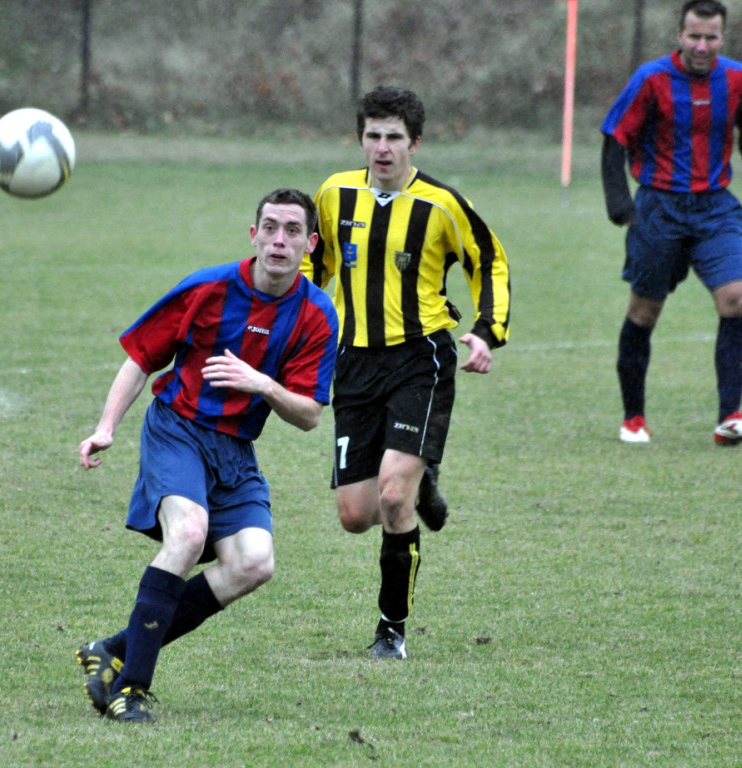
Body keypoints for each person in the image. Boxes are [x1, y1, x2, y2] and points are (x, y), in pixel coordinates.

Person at [75, 188, 338, 722]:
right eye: (269, 227)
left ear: (309, 244)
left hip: (236, 450)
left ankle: (114, 649)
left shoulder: (316, 314)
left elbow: (310, 414)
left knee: (253, 563)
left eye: (291, 230)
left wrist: (263, 384)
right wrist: (106, 428)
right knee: (190, 534)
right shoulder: (207, 288)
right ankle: (132, 689)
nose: (279, 240)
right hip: (178, 429)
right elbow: (140, 358)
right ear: (253, 235)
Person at [301, 86, 511, 659]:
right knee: (355, 516)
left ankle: (391, 630)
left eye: (395, 137)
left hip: (421, 358)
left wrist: (488, 330)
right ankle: (423, 480)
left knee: (393, 496)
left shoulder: (441, 205)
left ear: (415, 143)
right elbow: (311, 266)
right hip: (354, 363)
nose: (383, 147)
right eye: (373, 135)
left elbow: (487, 260)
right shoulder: (334, 194)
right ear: (360, 138)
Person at [601, 0, 742, 446]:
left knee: (736, 299)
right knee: (644, 311)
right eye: (694, 36)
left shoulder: (737, 78)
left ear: (722, 37)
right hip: (659, 208)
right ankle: (633, 418)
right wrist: (620, 202)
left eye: (711, 37)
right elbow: (614, 138)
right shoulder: (650, 79)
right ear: (679, 35)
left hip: (716, 207)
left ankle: (730, 417)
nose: (702, 45)